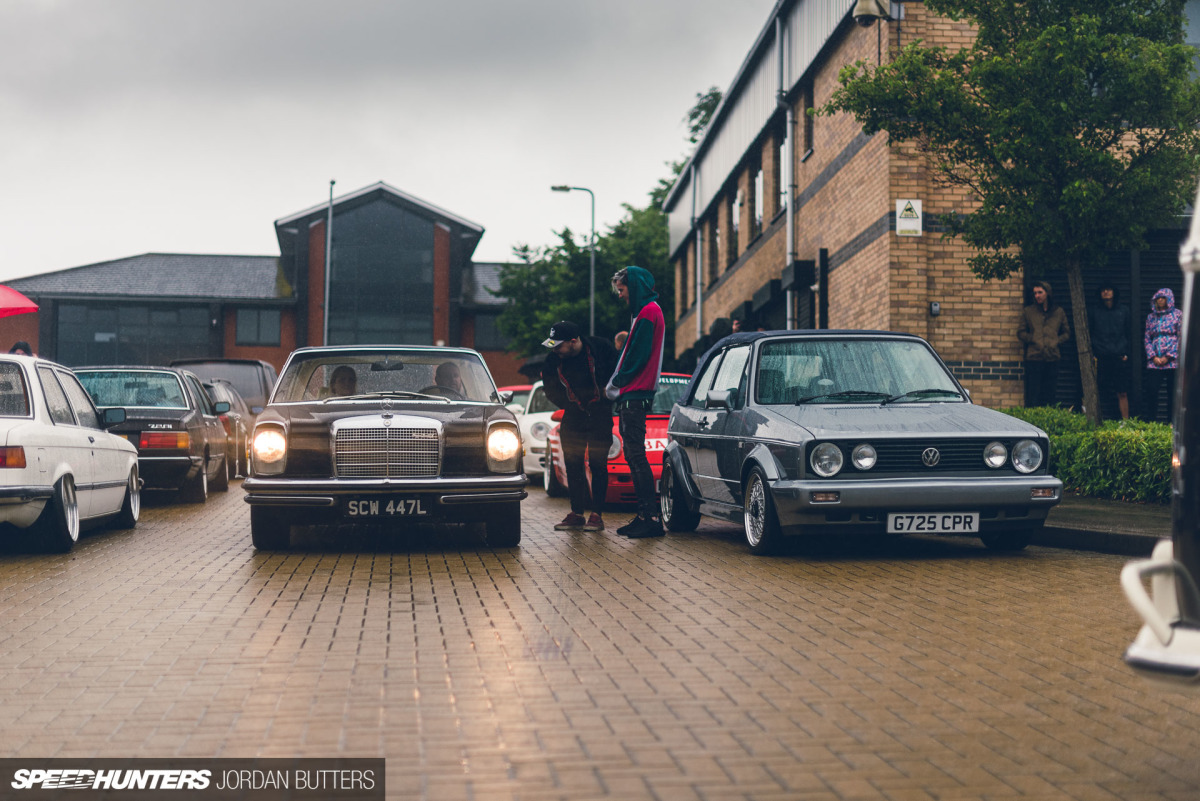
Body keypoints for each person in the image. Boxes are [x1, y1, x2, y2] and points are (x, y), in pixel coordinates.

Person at [606, 266, 666, 539]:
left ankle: (650, 518)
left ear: (635, 286)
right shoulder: (649, 312)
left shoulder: (647, 313)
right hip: (636, 394)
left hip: (635, 394)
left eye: (622, 289)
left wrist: (617, 381)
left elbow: (637, 357)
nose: (620, 296)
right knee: (634, 455)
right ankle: (645, 515)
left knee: (635, 456)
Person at [541, 321, 619, 532]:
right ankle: (576, 513)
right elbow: (549, 388)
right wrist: (568, 404)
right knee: (573, 463)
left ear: (573, 342)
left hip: (600, 413)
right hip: (573, 415)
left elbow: (618, 373)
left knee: (597, 463)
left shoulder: (600, 349)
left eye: (558, 346)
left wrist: (607, 395)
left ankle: (597, 515)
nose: (555, 350)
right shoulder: (553, 360)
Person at [1017, 280, 1070, 407]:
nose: (1037, 296)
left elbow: (1067, 333)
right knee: (1033, 393)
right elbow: (1020, 332)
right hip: (1034, 356)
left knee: (1050, 392)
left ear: (1048, 293)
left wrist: (1056, 341)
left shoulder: (1058, 312)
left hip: (1053, 357)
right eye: (1035, 293)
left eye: (1040, 292)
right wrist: (1033, 339)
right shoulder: (1029, 311)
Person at [1088, 284, 1130, 420]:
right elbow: (1089, 332)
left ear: (1114, 292)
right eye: (1103, 290)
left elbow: (1129, 331)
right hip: (1100, 356)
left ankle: (1126, 422)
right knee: (1095, 391)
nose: (1105, 292)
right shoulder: (1094, 311)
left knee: (1122, 391)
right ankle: (1094, 420)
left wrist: (1126, 353)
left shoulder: (1123, 311)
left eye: (1109, 289)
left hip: (1118, 356)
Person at [1144, 287, 1183, 423]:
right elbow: (1147, 338)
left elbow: (1181, 337)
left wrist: (1168, 356)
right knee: (1151, 391)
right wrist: (1153, 356)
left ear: (1169, 299)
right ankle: (1151, 423)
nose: (1160, 300)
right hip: (1154, 363)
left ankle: (1172, 423)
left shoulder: (1178, 315)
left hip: (1172, 362)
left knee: (1172, 393)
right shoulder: (1151, 317)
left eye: (1162, 298)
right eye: (1157, 298)